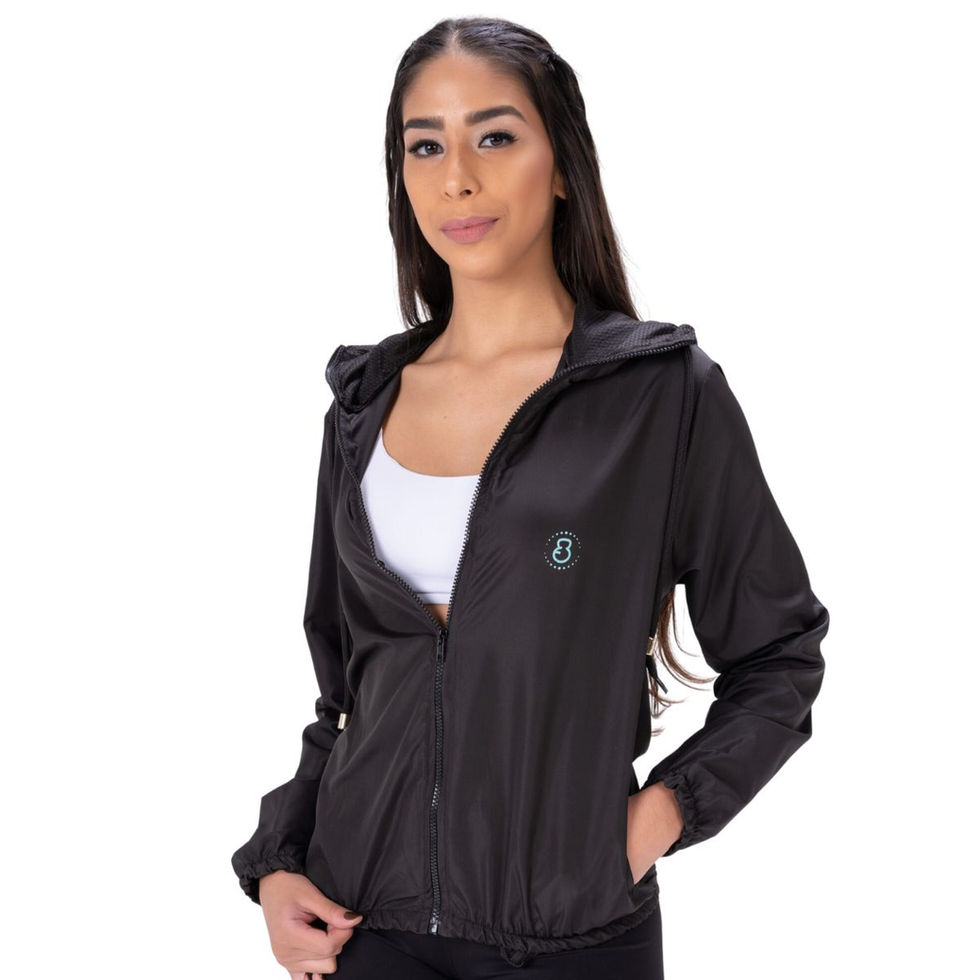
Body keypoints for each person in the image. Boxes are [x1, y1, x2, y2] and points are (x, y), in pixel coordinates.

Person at [231, 16, 830, 980]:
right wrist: (279, 862)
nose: (458, 178)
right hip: (360, 926)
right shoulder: (363, 407)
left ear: (561, 167)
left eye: (496, 136)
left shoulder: (659, 397)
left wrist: (655, 819)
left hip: (571, 934)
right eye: (426, 146)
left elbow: (779, 654)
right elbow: (346, 695)